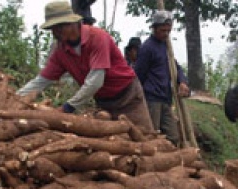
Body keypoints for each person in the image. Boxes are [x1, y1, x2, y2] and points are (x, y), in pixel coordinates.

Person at [17, 1, 153, 131]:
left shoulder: (98, 38)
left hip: (128, 96)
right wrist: (16, 98)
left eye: (58, 27)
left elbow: (95, 81)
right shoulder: (60, 51)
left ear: (72, 23)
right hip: (104, 101)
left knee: (145, 137)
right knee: (113, 142)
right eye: (52, 29)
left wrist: (68, 107)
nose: (55, 33)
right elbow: (41, 81)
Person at [134, 10, 190, 145]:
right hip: (152, 98)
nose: (165, 34)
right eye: (162, 30)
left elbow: (175, 66)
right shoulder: (147, 48)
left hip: (166, 98)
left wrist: (182, 81)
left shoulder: (166, 47)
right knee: (152, 134)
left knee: (173, 136)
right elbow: (139, 74)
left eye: (168, 31)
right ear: (154, 28)